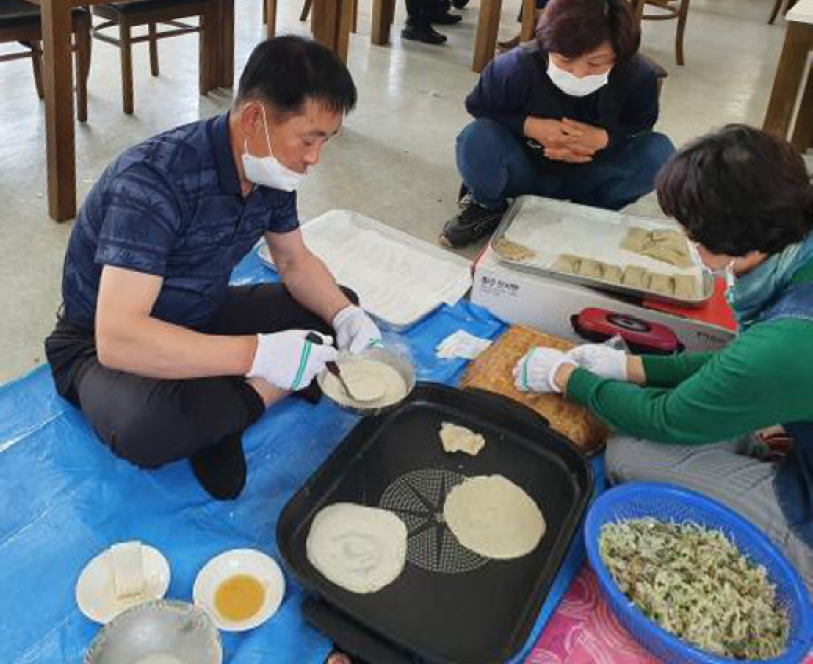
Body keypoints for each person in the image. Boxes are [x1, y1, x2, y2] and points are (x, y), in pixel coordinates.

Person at [45, 36, 381, 501]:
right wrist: (261, 356)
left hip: (199, 310)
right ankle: (244, 402)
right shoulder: (153, 180)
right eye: (308, 139)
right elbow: (118, 338)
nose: (313, 158)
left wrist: (346, 315)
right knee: (148, 428)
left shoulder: (270, 172)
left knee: (331, 308)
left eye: (325, 141)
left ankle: (223, 410)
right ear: (253, 119)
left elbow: (293, 260)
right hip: (96, 345)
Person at [513, 125, 813, 589]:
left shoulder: (787, 343)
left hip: (805, 510)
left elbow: (666, 419)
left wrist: (569, 378)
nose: (687, 242)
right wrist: (630, 366)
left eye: (693, 235)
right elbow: (740, 364)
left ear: (737, 239)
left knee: (629, 453)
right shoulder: (798, 249)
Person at [441, 0, 674, 249]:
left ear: (620, 55)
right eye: (565, 59)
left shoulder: (637, 75)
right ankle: (487, 206)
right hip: (524, 167)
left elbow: (640, 125)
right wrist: (530, 126)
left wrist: (604, 139)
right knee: (477, 137)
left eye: (596, 63)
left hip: (590, 173)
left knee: (659, 153)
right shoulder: (515, 67)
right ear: (547, 44)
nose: (578, 73)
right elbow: (480, 107)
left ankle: (590, 212)